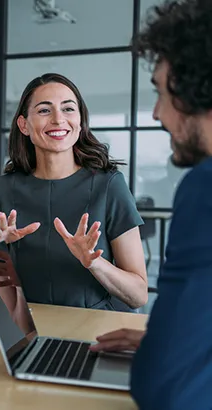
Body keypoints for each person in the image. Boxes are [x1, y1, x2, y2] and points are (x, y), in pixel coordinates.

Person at [90, 1, 212, 408]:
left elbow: (163, 386)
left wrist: (166, 349)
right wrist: (175, 338)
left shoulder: (205, 187)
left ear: (198, 88)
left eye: (161, 90)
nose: (157, 113)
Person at [0, 73, 148, 314]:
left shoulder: (109, 186)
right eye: (44, 111)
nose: (59, 120)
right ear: (24, 125)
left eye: (68, 109)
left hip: (93, 328)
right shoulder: (3, 190)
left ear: (80, 121)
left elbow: (138, 295)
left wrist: (94, 262)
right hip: (26, 328)